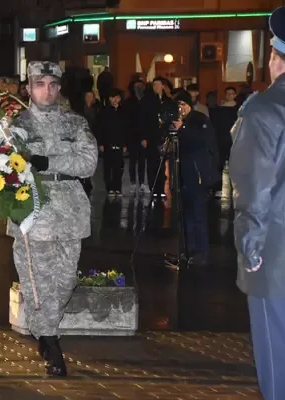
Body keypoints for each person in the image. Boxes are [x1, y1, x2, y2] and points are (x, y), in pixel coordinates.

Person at [9, 61, 98, 376]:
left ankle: (46, 331)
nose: (47, 90)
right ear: (29, 88)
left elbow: (88, 163)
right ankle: (50, 339)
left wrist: (46, 161)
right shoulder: (17, 125)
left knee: (65, 281)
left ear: (59, 88)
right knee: (36, 284)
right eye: (40, 84)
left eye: (53, 85)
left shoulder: (75, 124)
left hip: (70, 212)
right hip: (32, 211)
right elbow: (6, 166)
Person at [230, 7, 285, 399]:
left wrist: (250, 247)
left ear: (274, 57)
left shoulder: (264, 110)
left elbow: (255, 186)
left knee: (276, 354)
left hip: (276, 253)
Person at [171, 91, 219, 265]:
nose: (181, 109)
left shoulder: (199, 119)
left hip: (198, 173)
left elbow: (203, 141)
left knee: (197, 213)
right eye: (178, 105)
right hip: (184, 173)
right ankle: (188, 249)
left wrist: (182, 128)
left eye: (183, 104)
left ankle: (200, 251)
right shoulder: (179, 121)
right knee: (185, 214)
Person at [141, 77, 172, 198]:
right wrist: (144, 137)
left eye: (158, 85)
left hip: (163, 136)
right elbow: (143, 120)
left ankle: (161, 188)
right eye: (154, 85)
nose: (156, 87)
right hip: (151, 136)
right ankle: (153, 188)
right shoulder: (147, 101)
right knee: (152, 163)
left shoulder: (167, 101)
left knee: (162, 162)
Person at [97, 88, 127, 196]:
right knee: (108, 167)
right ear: (110, 99)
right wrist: (100, 143)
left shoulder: (122, 111)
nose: (116, 100)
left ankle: (117, 187)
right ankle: (109, 187)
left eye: (118, 98)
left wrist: (124, 144)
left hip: (119, 142)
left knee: (118, 166)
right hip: (107, 142)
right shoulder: (104, 111)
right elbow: (100, 128)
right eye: (114, 98)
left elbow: (125, 129)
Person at [123, 79, 147, 193]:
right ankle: (133, 182)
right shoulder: (128, 102)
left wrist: (145, 136)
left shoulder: (145, 101)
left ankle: (142, 182)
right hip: (132, 136)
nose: (139, 89)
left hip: (142, 136)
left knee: (142, 161)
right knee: (133, 160)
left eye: (141, 86)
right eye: (137, 86)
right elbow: (127, 122)